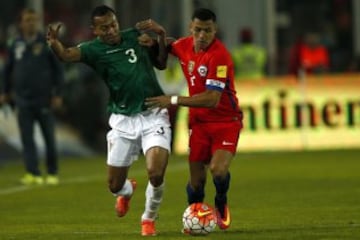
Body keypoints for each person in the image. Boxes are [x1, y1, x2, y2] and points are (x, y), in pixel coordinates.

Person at [46, 5, 170, 236]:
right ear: (95, 30)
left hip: (153, 115)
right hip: (123, 121)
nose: (112, 30)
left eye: (113, 24)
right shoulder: (93, 50)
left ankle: (148, 219)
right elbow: (66, 55)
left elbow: (162, 61)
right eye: (105, 27)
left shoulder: (135, 36)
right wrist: (55, 43)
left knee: (156, 173)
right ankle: (126, 192)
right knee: (114, 185)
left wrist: (159, 38)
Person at [138, 8, 243, 231]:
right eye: (198, 30)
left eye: (207, 30)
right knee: (196, 182)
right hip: (199, 123)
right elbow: (169, 45)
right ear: (190, 29)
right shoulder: (184, 45)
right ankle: (196, 220)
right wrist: (155, 39)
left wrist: (173, 100)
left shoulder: (219, 56)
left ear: (215, 30)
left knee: (217, 170)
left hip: (226, 121)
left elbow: (212, 99)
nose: (202, 35)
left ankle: (221, 201)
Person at [0, 8, 64, 186]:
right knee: (27, 139)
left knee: (49, 137)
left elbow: (58, 71)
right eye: (27, 20)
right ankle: (32, 172)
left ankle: (52, 172)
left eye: (33, 20)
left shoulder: (46, 43)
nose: (31, 23)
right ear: (20, 23)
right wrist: (4, 92)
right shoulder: (15, 44)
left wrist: (58, 93)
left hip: (44, 98)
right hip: (22, 99)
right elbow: (7, 71)